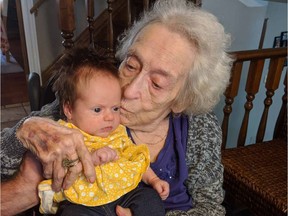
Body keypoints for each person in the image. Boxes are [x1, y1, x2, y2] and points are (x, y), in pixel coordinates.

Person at [0, 0, 234, 215]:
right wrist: (26, 129)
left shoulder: (200, 126)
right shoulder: (91, 105)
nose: (129, 91)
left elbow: (210, 206)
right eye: (131, 66)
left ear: (182, 100)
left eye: (156, 84)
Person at [37, 47, 168, 215]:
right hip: (82, 202)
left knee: (151, 200)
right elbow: (58, 167)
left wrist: (154, 179)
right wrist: (90, 159)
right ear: (69, 109)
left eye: (115, 108)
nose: (110, 117)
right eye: (98, 110)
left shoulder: (118, 133)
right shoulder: (64, 135)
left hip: (123, 195)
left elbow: (135, 157)